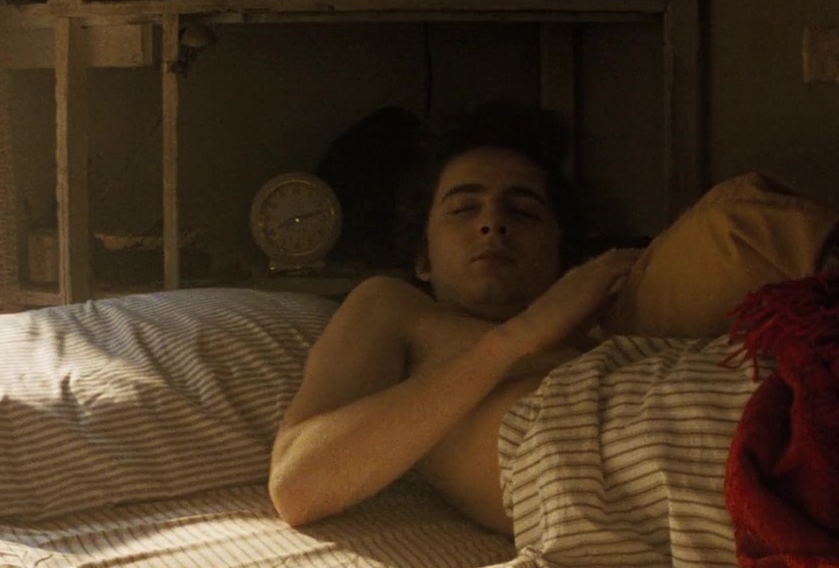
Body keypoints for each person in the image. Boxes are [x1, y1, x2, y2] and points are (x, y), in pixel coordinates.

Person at [268, 102, 641, 535]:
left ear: (563, 256)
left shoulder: (610, 306)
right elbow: (297, 484)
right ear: (423, 259)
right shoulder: (396, 309)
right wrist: (519, 338)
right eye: (464, 208)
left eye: (523, 211)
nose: (493, 223)